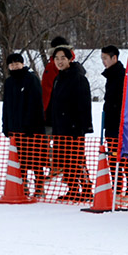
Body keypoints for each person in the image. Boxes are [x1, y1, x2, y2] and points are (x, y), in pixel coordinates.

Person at [47, 45, 93, 202]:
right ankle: (73, 189)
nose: (59, 61)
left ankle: (86, 189)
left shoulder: (78, 78)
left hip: (74, 128)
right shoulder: (58, 78)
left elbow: (85, 104)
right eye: (56, 59)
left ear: (70, 59)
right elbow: (54, 103)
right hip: (60, 127)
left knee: (77, 160)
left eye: (63, 58)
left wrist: (84, 126)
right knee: (65, 160)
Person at [1, 52, 45, 197]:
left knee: (36, 159)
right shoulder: (8, 82)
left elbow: (37, 105)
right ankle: (23, 185)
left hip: (32, 129)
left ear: (23, 64)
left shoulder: (31, 79)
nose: (14, 66)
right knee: (20, 160)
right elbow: (6, 105)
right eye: (12, 64)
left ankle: (39, 186)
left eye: (17, 63)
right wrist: (5, 125)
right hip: (15, 128)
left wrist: (34, 125)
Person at [100, 45, 128, 204]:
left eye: (105, 59)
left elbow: (126, 101)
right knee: (113, 158)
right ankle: (117, 188)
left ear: (114, 58)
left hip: (122, 124)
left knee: (125, 157)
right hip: (110, 123)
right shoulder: (110, 76)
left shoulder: (122, 75)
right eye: (102, 59)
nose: (103, 62)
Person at [41, 36, 72, 181]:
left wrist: (41, 110)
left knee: (42, 143)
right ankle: (66, 170)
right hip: (63, 112)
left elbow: (47, 91)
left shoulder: (52, 65)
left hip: (51, 112)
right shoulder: (72, 64)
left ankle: (58, 166)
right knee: (65, 144)